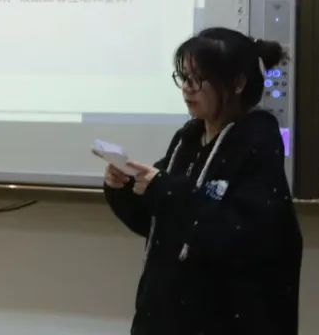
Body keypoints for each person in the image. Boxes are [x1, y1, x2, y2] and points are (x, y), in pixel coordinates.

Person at [104, 27, 302, 335]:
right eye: (183, 78)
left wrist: (165, 190)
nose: (186, 88)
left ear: (237, 83)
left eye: (197, 79)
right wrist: (124, 188)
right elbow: (159, 222)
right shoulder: (188, 139)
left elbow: (238, 234)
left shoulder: (257, 145)